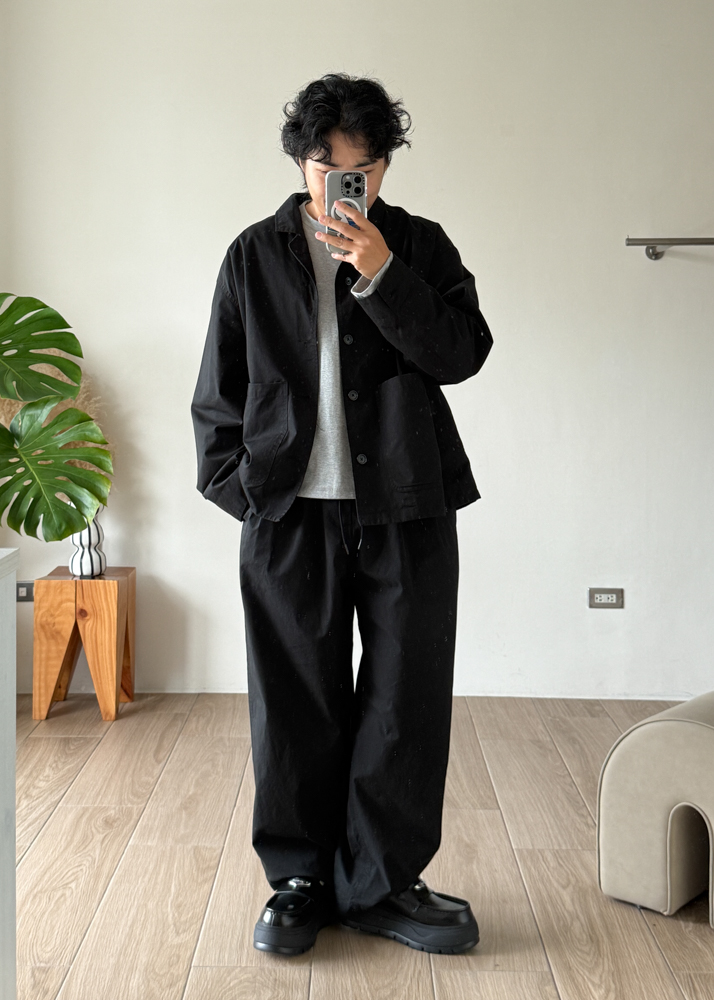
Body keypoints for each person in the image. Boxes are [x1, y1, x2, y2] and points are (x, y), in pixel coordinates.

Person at [191, 72, 493, 957]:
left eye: (362, 169)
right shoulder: (254, 255)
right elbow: (218, 394)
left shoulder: (419, 246)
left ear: (385, 168)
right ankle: (301, 881)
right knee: (293, 702)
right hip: (290, 517)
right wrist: (247, 497)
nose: (342, 186)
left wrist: (382, 273)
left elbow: (462, 353)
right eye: (328, 169)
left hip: (408, 508)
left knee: (404, 698)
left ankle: (382, 883)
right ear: (301, 162)